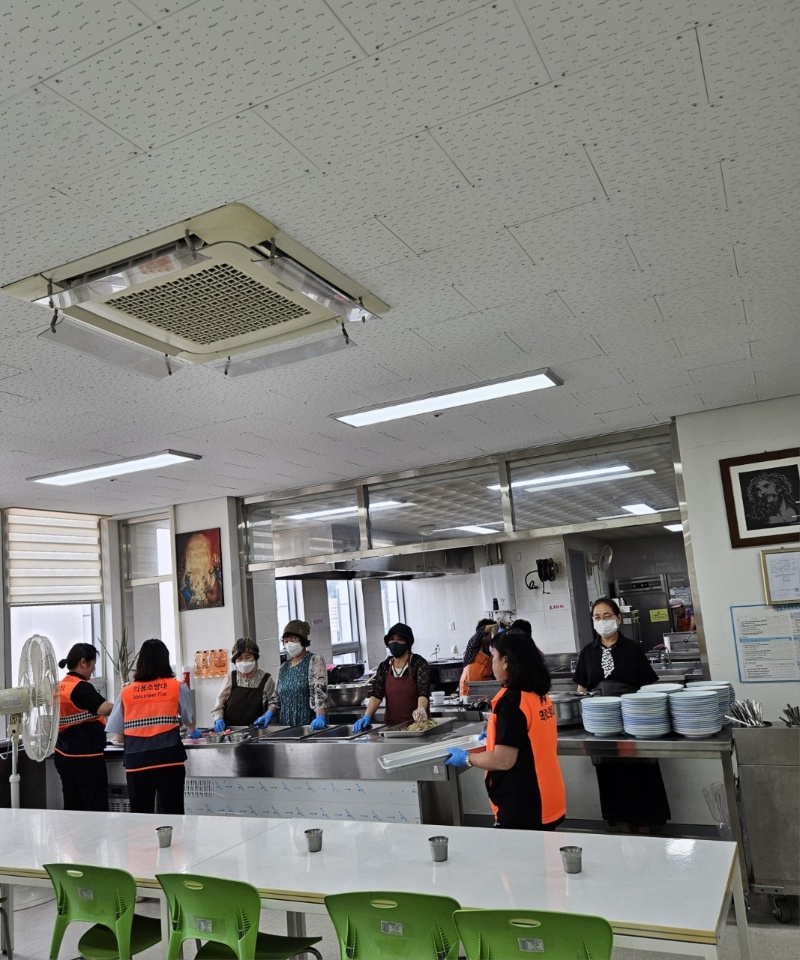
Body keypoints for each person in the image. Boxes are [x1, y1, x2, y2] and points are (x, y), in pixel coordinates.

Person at [445, 629, 566, 831]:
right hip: (547, 795)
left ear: (506, 661)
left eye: (494, 657)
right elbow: (528, 735)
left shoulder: (512, 701)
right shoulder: (537, 693)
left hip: (523, 805)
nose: (492, 663)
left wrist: (467, 758)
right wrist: (496, 735)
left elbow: (503, 760)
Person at [572, 597, 671, 831]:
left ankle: (646, 831)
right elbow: (581, 689)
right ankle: (622, 831)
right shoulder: (588, 653)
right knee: (611, 780)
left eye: (607, 616)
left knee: (641, 778)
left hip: (634, 726)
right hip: (602, 728)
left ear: (618, 619)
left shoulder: (633, 650)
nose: (602, 621)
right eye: (597, 617)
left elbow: (648, 687)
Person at [105, 638, 195, 815]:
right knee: (173, 814)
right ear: (165, 661)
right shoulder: (176, 687)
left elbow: (119, 737)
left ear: (140, 662)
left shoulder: (126, 692)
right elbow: (190, 722)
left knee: (141, 817)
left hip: (137, 763)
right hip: (169, 761)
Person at [54, 643, 114, 811]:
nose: (93, 670)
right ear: (83, 662)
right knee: (96, 809)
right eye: (93, 664)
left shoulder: (60, 687)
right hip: (85, 758)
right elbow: (103, 708)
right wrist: (124, 703)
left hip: (63, 754)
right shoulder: (80, 687)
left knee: (73, 807)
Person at [353, 623, 430, 730]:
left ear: (408, 643)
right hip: (392, 726)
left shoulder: (418, 663)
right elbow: (377, 695)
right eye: (392, 639)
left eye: (399, 640)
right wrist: (367, 716)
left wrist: (421, 709)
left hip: (417, 725)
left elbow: (423, 692)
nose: (395, 643)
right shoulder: (384, 666)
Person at [253, 621, 327, 729]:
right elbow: (276, 697)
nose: (289, 644)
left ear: (302, 640)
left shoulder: (314, 660)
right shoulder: (284, 667)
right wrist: (268, 714)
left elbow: (319, 692)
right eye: (286, 641)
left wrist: (320, 716)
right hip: (285, 725)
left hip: (308, 725)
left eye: (293, 639)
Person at [206, 637, 277, 732]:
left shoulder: (266, 680)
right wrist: (218, 719)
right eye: (239, 659)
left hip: (257, 732)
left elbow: (274, 703)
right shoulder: (231, 677)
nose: (244, 662)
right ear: (235, 661)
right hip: (231, 733)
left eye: (248, 657)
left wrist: (268, 715)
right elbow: (219, 704)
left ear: (255, 658)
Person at [459, 623, 494, 696]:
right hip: (470, 681)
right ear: (484, 635)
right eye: (490, 634)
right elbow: (481, 631)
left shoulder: (489, 649)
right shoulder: (474, 642)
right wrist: (498, 624)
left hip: (484, 683)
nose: (491, 637)